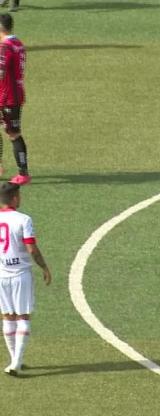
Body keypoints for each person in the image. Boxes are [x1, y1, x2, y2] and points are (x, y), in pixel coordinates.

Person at [0, 182, 51, 376]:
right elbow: (31, 248)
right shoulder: (23, 219)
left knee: (8, 316)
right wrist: (44, 267)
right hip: (20, 274)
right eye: (19, 196)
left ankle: (15, 360)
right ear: (14, 198)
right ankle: (16, 362)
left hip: (1, 274)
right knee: (23, 316)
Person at [0, 14, 28, 184]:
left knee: (13, 134)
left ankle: (23, 173)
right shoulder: (18, 43)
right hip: (12, 94)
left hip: (7, 97)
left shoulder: (5, 47)